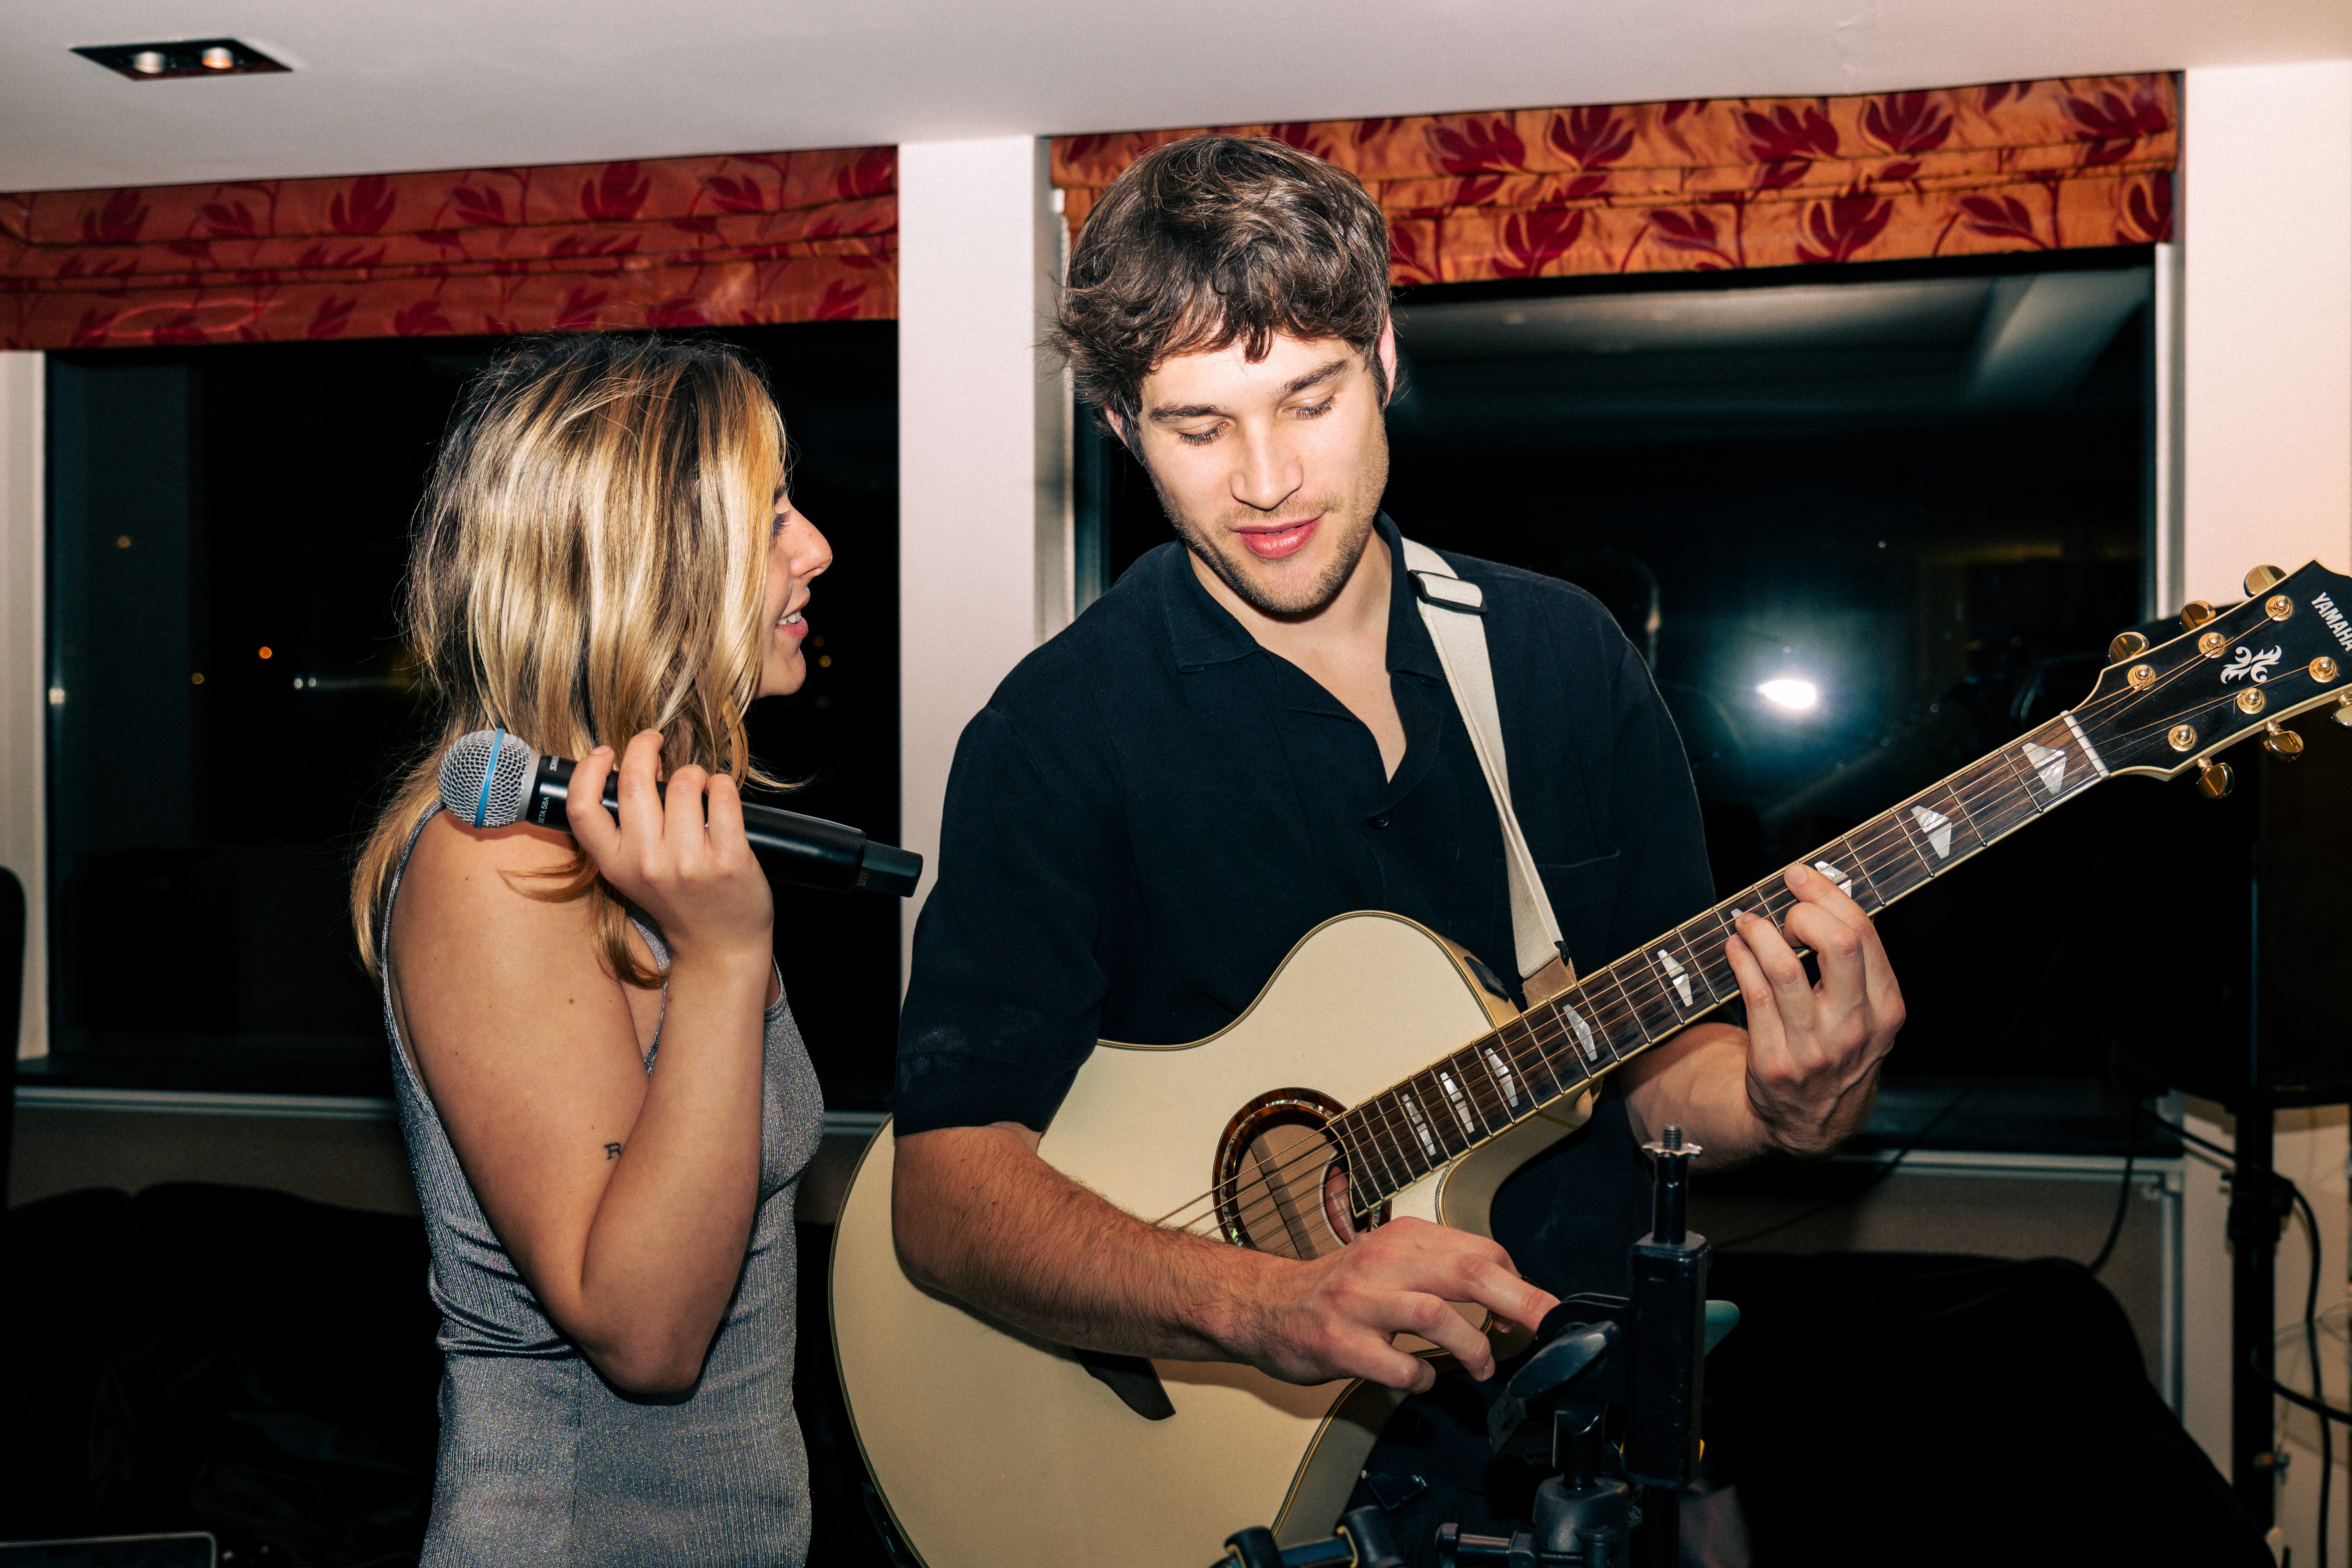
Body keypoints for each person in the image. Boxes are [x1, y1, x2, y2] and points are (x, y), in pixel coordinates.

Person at [889, 136, 1905, 1552]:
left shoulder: (1560, 663)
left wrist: (1792, 1102)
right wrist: (1261, 1299)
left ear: (1382, 353)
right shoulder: (1054, 736)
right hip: (1226, 1485)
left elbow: (1663, 1079)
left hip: (1565, 1465)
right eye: (1198, 425)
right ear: (1122, 428)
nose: (1265, 478)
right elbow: (943, 1197)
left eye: (1308, 398)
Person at [350, 334, 833, 1567]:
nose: (813, 548)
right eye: (767, 514)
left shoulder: (652, 852)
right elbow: (647, 1334)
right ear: (645, 565)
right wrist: (728, 962)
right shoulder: (488, 865)